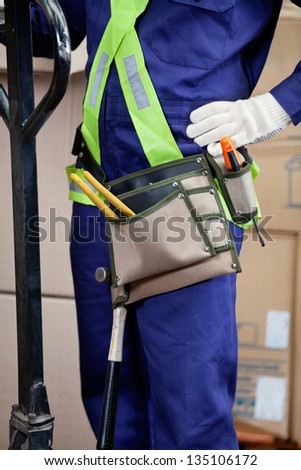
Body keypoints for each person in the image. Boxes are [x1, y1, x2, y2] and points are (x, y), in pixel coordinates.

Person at [2, 0, 301, 450]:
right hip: (96, 194)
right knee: (112, 407)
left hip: (187, 196)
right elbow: (57, 27)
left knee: (191, 421)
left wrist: (275, 108)